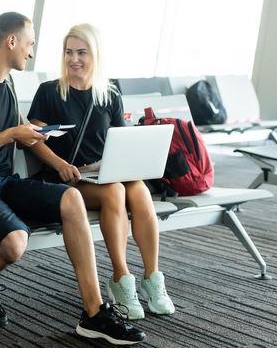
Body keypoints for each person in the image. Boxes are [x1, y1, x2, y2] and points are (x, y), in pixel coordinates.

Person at [0, 12, 145, 345]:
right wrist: (10, 135)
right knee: (15, 243)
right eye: (30, 44)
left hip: (3, 182)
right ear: (12, 41)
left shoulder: (7, 82)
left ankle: (93, 314)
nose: (31, 53)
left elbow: (16, 130)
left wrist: (36, 134)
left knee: (71, 197)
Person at [27, 23, 175, 320]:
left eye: (81, 52)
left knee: (140, 190)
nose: (74, 59)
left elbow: (121, 140)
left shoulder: (109, 94)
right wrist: (60, 163)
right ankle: (121, 278)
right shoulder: (49, 92)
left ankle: (153, 276)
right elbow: (30, 138)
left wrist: (126, 165)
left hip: (104, 172)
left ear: (95, 54)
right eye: (68, 52)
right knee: (116, 191)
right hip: (67, 176)